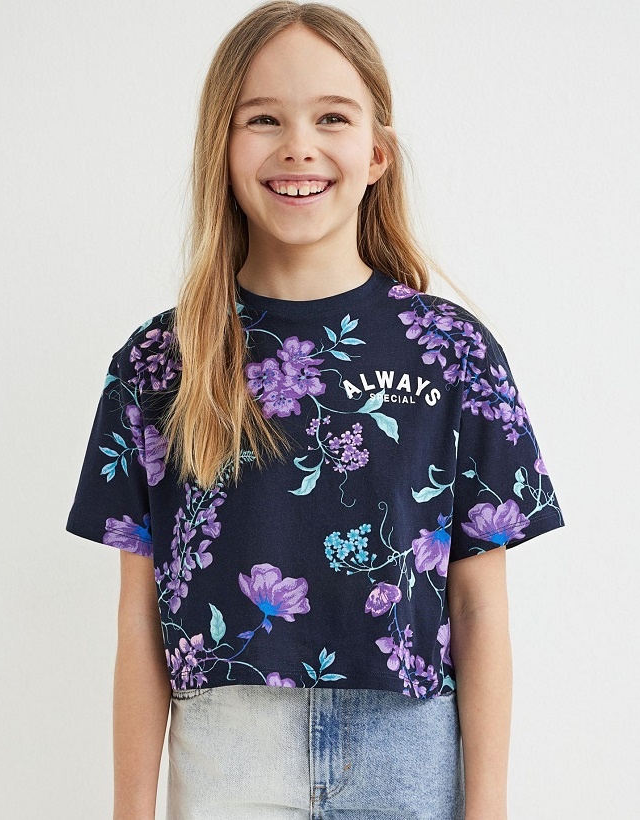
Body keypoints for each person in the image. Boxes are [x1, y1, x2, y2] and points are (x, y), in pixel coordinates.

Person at [65, 3, 566, 819]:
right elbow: (138, 617)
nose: (298, 145)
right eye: (262, 118)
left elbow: (478, 605)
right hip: (225, 752)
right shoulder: (160, 363)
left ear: (376, 153)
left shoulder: (451, 352)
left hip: (408, 746)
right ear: (221, 148)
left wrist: (488, 808)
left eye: (331, 117)